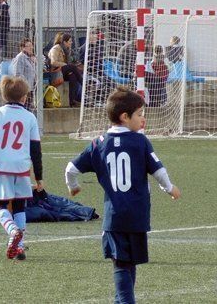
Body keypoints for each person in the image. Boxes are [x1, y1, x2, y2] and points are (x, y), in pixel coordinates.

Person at [65, 87, 181, 303]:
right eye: (139, 114)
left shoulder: (98, 143)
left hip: (114, 216)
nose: (143, 118)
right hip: (137, 215)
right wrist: (170, 188)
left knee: (121, 263)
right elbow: (159, 171)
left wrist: (73, 187)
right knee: (128, 262)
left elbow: (70, 169)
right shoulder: (140, 142)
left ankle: (124, 301)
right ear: (124, 117)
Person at [0, 76, 43, 260]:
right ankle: (20, 247)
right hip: (22, 167)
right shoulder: (30, 117)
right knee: (19, 206)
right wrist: (39, 177)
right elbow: (35, 150)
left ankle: (13, 230)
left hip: (2, 166)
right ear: (24, 97)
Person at [48, 33, 83, 107]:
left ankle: (72, 101)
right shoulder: (56, 48)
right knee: (72, 67)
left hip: (64, 71)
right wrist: (65, 65)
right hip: (56, 72)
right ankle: (83, 83)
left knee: (73, 76)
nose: (71, 42)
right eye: (70, 41)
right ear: (65, 42)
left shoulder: (67, 50)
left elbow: (71, 62)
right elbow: (53, 62)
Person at [10, 37, 37, 109]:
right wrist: (24, 86)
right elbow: (18, 74)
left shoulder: (30, 58)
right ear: (22, 48)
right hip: (23, 90)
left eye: (32, 46)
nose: (31, 48)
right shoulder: (20, 57)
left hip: (30, 89)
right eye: (29, 46)